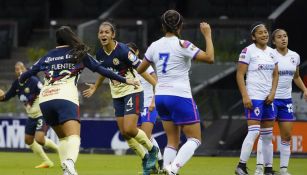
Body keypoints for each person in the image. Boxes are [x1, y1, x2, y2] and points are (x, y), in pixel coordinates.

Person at [19, 26, 138, 175]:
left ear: (57, 40)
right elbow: (103, 70)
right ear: (71, 38)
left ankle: (66, 170)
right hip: (65, 98)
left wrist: (21, 80)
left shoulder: (47, 56)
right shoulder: (79, 54)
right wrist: (125, 80)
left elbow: (26, 74)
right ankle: (70, 162)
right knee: (74, 136)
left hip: (45, 100)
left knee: (62, 138)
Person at [137, 9, 214, 175]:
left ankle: (166, 169)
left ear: (163, 26)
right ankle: (173, 169)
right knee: (195, 139)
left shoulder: (154, 46)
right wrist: (207, 35)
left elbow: (141, 69)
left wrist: (158, 80)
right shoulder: (183, 44)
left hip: (161, 96)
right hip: (180, 96)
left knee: (172, 140)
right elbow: (210, 58)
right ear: (180, 26)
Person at [82, 21, 159, 175]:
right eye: (101, 32)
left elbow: (141, 69)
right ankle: (145, 159)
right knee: (124, 133)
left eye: (106, 32)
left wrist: (156, 84)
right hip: (117, 95)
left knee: (130, 128)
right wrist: (95, 87)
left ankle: (153, 150)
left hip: (133, 90)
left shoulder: (124, 51)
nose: (103, 35)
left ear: (113, 35)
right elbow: (104, 72)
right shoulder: (100, 54)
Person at [255, 29, 307, 175]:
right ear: (273, 41)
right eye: (279, 37)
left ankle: (283, 169)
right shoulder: (270, 55)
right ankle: (260, 167)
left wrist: (304, 89)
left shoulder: (294, 56)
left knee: (287, 136)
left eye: (285, 36)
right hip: (270, 99)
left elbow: (296, 76)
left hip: (286, 101)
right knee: (266, 135)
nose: (283, 39)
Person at [235, 23, 279, 175]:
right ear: (253, 37)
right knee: (253, 132)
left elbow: (275, 74)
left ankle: (268, 169)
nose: (264, 35)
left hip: (268, 98)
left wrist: (273, 92)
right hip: (254, 96)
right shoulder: (248, 51)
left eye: (266, 32)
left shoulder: (273, 53)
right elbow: (240, 74)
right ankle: (241, 166)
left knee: (267, 136)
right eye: (260, 33)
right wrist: (245, 95)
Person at [0, 61, 59, 168]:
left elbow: (46, 92)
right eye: (17, 69)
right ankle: (47, 162)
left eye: (21, 68)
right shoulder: (16, 84)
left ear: (26, 70)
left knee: (40, 139)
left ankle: (60, 151)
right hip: (31, 116)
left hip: (42, 114)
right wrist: (1, 96)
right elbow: (6, 97)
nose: (19, 71)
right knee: (28, 140)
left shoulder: (34, 81)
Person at [126, 42, 164, 171]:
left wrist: (154, 101)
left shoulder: (144, 65)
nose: (129, 53)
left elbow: (156, 83)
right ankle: (159, 161)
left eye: (131, 51)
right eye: (127, 51)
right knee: (142, 138)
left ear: (136, 52)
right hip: (135, 106)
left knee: (146, 136)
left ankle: (151, 166)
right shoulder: (125, 67)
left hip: (148, 104)